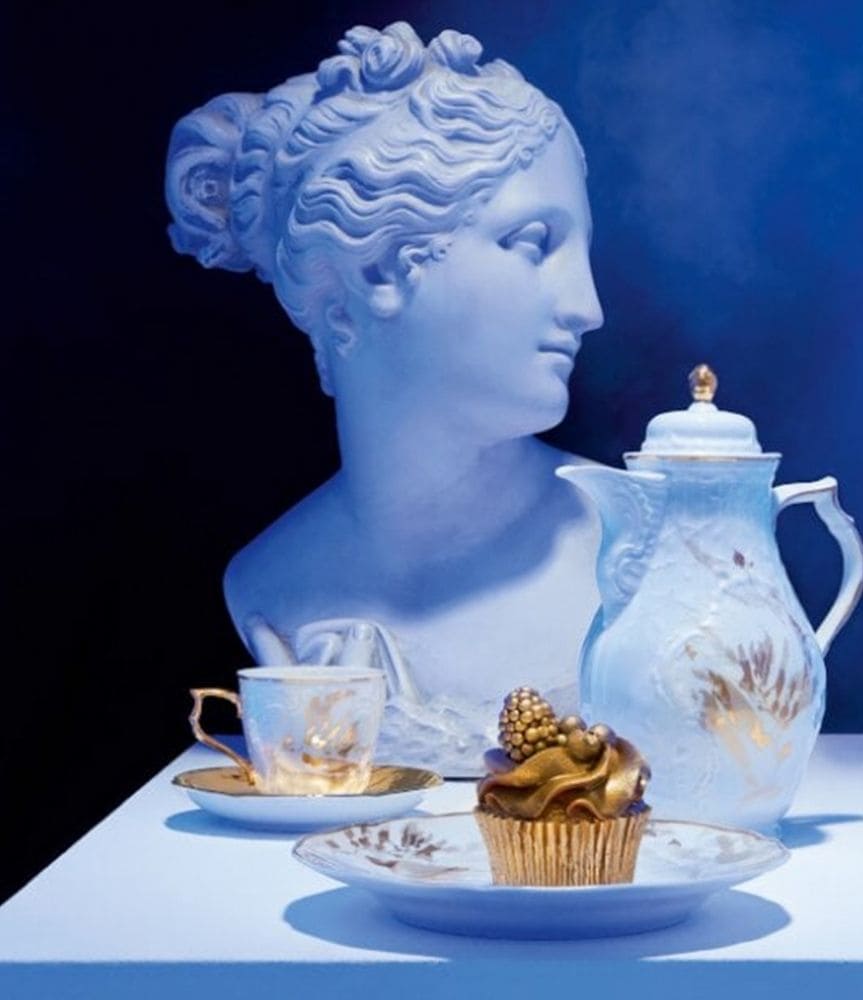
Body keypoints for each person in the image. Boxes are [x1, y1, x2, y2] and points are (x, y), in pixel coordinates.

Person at [165, 22, 605, 772]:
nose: (587, 307)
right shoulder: (271, 579)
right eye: (534, 243)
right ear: (375, 271)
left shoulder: (639, 550)